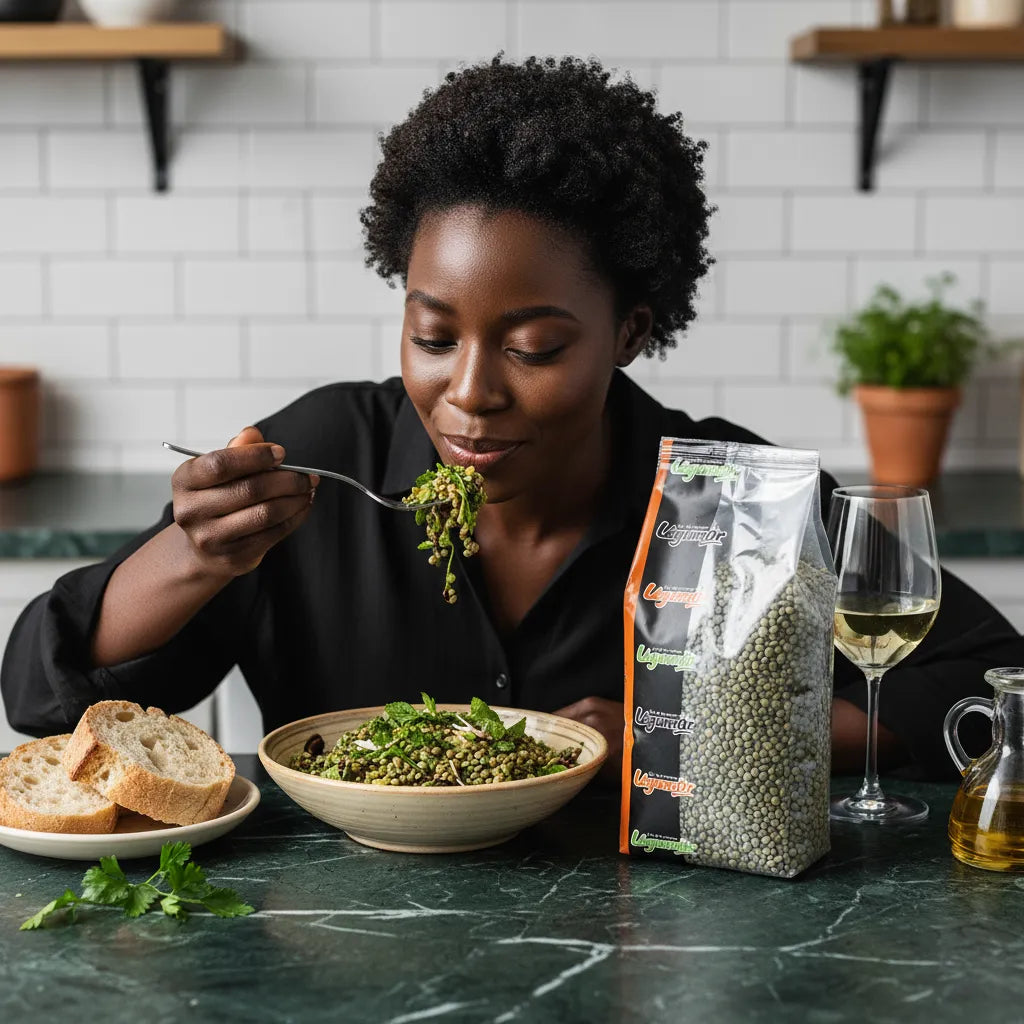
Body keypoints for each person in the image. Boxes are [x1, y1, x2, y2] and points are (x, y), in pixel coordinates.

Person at [2, 56, 1021, 783]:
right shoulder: (320, 457)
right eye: (433, 335)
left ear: (628, 332)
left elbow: (987, 688)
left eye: (532, 348)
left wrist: (689, 736)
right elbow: (41, 698)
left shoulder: (733, 494)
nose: (470, 392)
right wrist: (192, 556)